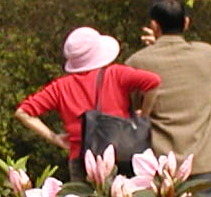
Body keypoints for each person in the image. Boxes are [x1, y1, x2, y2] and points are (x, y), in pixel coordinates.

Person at [126, 0, 211, 197]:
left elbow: (136, 105)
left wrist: (152, 48)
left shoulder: (136, 63)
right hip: (207, 155)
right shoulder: (206, 53)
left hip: (163, 160)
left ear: (154, 26)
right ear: (186, 23)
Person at [16, 26, 160, 184]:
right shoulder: (116, 74)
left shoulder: (60, 87)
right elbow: (153, 82)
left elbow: (23, 113)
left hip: (82, 158)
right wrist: (144, 116)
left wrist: (55, 138)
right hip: (123, 151)